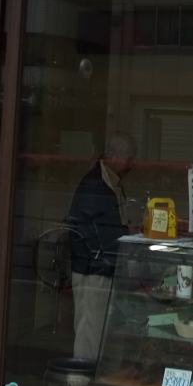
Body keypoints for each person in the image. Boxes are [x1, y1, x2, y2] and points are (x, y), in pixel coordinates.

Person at [67, 132, 137, 362]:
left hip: (102, 267)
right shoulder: (95, 184)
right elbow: (94, 232)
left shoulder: (107, 181)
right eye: (129, 158)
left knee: (99, 331)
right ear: (114, 156)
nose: (131, 164)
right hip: (94, 270)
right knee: (90, 331)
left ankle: (96, 376)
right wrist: (125, 231)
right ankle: (82, 378)